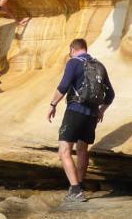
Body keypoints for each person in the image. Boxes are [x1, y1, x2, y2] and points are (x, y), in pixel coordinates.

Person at [47, 38, 115, 202]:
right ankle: (80, 185)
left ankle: (76, 191)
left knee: (64, 150)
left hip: (75, 111)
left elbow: (63, 87)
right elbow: (111, 95)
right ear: (85, 48)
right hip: (91, 115)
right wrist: (100, 111)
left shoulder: (74, 63)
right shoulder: (99, 66)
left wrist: (53, 104)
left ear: (72, 49)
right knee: (82, 150)